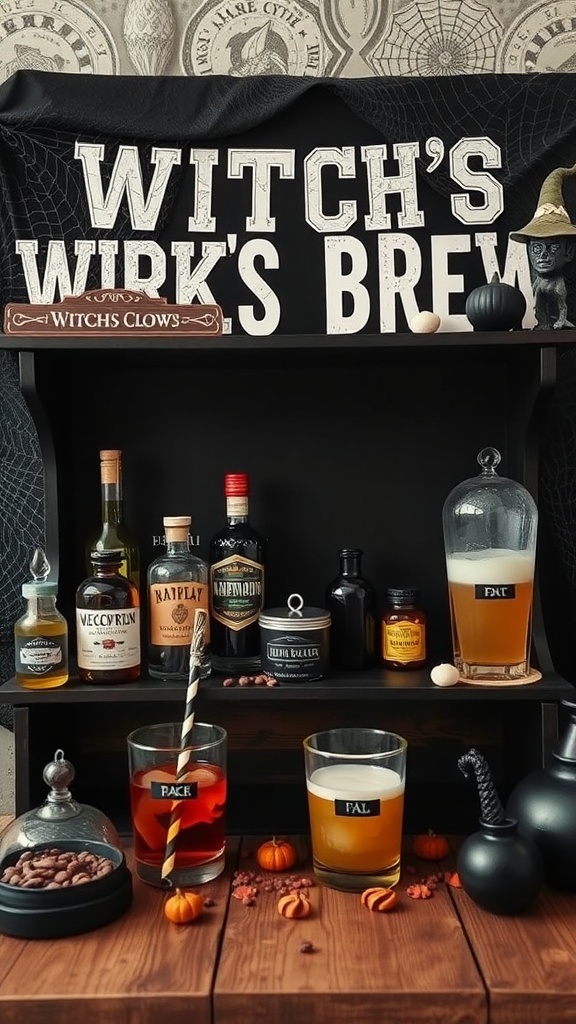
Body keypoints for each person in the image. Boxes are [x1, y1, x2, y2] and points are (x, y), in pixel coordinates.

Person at [510, 162, 576, 330]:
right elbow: (538, 305)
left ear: (569, 251)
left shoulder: (560, 285)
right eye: (537, 248)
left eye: (553, 247)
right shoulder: (537, 284)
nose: (543, 255)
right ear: (529, 251)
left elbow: (562, 303)